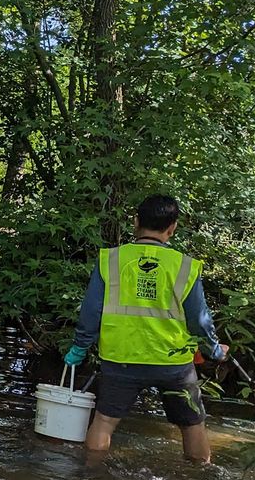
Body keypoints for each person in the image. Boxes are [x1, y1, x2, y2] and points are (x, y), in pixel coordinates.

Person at [64, 195, 228, 462]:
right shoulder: (184, 266)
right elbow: (199, 320)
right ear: (172, 228)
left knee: (104, 421)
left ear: (136, 221)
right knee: (192, 423)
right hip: (173, 363)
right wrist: (214, 350)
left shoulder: (111, 259)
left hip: (121, 358)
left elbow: (92, 310)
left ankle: (90, 479)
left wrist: (80, 347)